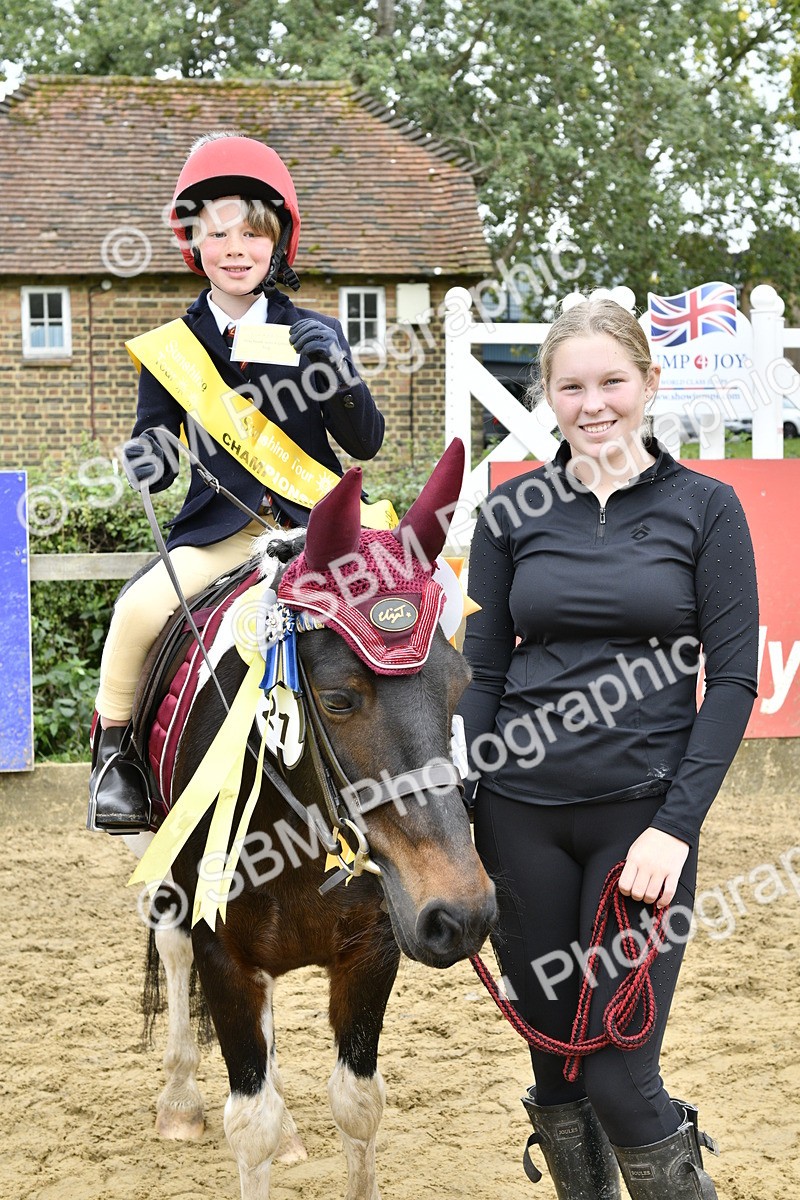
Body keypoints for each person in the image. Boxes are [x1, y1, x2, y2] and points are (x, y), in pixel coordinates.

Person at [457, 296, 758, 1199]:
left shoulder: (707, 507)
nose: (594, 404)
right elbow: (482, 674)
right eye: (571, 385)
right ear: (547, 395)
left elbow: (733, 680)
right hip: (519, 824)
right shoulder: (511, 511)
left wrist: (675, 827)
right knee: (557, 1067)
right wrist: (460, 805)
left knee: (622, 1079)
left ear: (649, 383)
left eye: (612, 381)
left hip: (642, 833)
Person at [88, 132, 385, 834]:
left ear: (276, 244)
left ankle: (445, 754)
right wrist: (147, 461)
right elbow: (157, 451)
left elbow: (364, 441)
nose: (235, 248)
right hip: (221, 534)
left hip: (320, 525)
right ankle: (115, 759)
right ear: (195, 244)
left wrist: (338, 375)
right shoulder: (171, 348)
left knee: (430, 596)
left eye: (251, 234)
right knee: (135, 610)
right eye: (217, 233)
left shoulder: (317, 331)